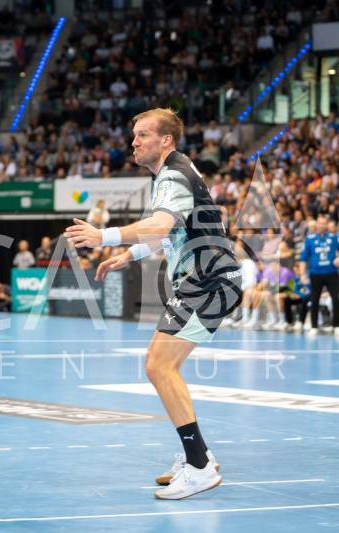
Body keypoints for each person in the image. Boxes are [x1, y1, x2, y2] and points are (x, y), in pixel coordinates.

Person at [65, 108, 242, 500]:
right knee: (163, 366)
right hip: (206, 279)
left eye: (142, 134)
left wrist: (105, 236)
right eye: (133, 134)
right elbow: (170, 233)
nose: (134, 142)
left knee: (159, 366)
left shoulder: (173, 174)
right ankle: (200, 456)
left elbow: (161, 226)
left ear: (166, 140)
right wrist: (128, 256)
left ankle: (199, 467)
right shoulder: (173, 172)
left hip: (208, 280)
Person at [299, 215, 339, 337]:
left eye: (324, 223)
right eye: (320, 223)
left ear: (327, 225)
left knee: (336, 299)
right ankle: (314, 326)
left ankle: (336, 326)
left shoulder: (334, 238)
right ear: (316, 224)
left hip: (331, 273)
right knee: (314, 300)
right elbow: (303, 259)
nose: (322, 225)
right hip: (315, 274)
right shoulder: (310, 239)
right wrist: (302, 275)